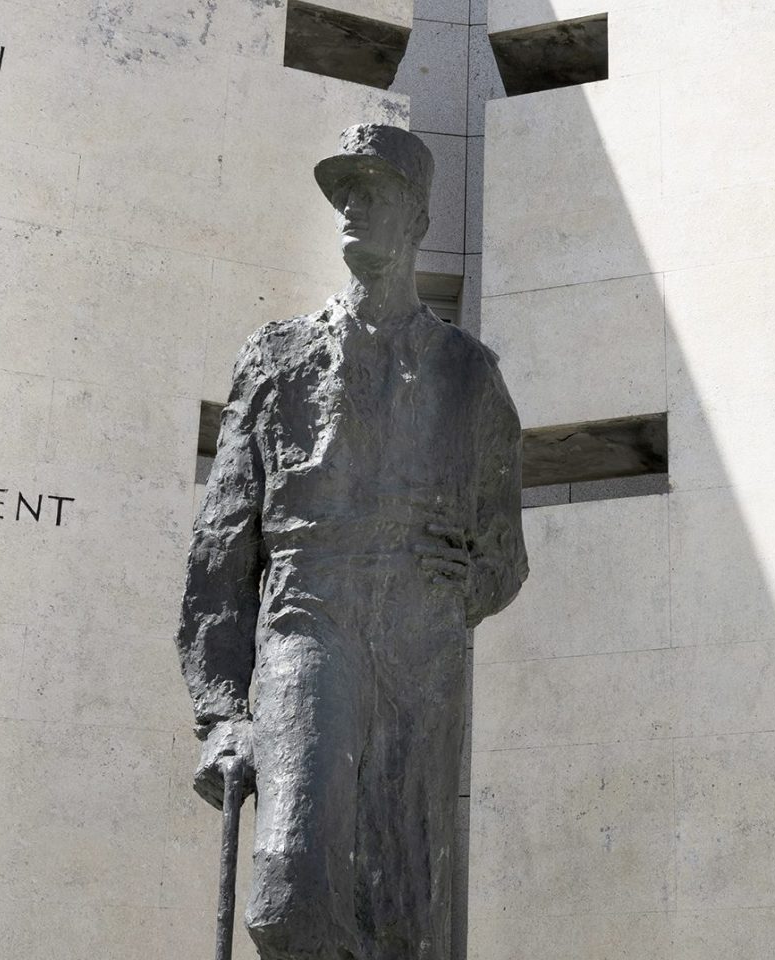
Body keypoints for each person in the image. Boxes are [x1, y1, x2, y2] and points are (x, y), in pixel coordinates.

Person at [176, 123, 529, 960]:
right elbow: (219, 555)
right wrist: (223, 715)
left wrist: (467, 581)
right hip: (309, 617)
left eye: (373, 193)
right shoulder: (277, 357)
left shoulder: (467, 372)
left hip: (420, 641)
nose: (351, 210)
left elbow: (505, 553)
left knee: (409, 902)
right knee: (293, 883)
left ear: (416, 218)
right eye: (345, 193)